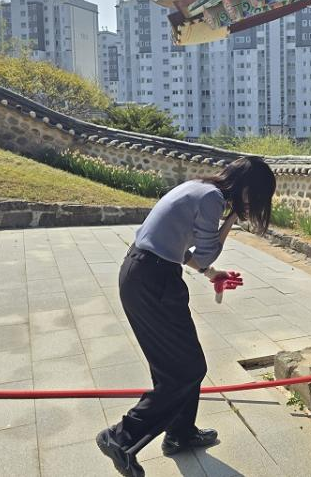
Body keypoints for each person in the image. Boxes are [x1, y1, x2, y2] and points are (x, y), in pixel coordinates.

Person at [96, 156, 276, 477]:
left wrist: (210, 273)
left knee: (179, 364)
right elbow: (206, 252)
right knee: (186, 369)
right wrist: (232, 218)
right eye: (257, 197)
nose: (255, 206)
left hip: (144, 273)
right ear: (246, 188)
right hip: (154, 279)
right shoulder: (213, 198)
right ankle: (121, 437)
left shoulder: (199, 187)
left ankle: (180, 433)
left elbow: (180, 247)